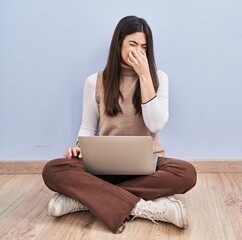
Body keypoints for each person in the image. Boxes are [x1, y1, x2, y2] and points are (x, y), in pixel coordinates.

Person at [42, 16, 197, 234]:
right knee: (53, 170)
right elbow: (87, 128)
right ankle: (147, 207)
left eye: (144, 46)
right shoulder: (95, 81)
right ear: (119, 45)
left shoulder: (159, 78)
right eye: (132, 44)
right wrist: (79, 147)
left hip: (148, 166)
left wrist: (144, 74)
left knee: (186, 173)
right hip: (103, 167)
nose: (138, 51)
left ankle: (83, 201)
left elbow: (155, 124)